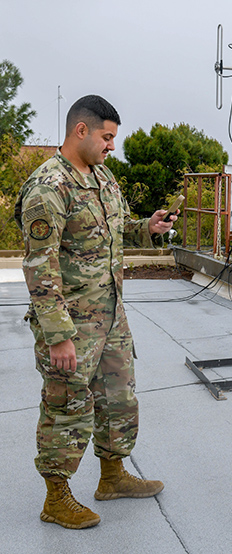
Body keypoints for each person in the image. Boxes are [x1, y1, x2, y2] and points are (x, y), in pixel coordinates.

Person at [14, 95, 176, 529]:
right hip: (72, 324)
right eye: (106, 137)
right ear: (80, 130)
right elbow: (38, 264)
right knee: (67, 406)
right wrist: (58, 334)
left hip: (111, 315)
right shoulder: (48, 187)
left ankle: (113, 477)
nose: (111, 146)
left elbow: (116, 230)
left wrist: (149, 226)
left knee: (119, 399)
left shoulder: (103, 178)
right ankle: (56, 498)